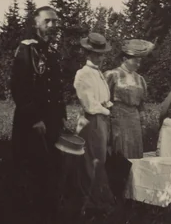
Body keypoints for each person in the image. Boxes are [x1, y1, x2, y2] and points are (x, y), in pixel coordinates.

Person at [8, 6, 67, 222]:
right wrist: (34, 119)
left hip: (51, 121)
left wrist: (61, 116)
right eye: (47, 21)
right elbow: (18, 87)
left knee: (50, 169)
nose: (52, 25)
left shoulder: (51, 52)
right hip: (31, 122)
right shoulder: (27, 49)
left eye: (55, 21)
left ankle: (49, 214)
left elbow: (56, 89)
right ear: (36, 24)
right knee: (31, 170)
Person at [72, 33, 117, 210]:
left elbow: (103, 98)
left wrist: (108, 106)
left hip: (102, 119)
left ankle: (100, 200)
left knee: (100, 160)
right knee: (92, 161)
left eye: (102, 54)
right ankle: (92, 202)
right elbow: (90, 104)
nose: (100, 57)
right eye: (96, 54)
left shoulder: (98, 74)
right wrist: (106, 110)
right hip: (91, 121)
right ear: (87, 54)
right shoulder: (83, 74)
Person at [105, 39, 156, 160]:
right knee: (121, 149)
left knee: (135, 149)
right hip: (118, 117)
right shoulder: (112, 75)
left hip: (134, 118)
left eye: (140, 62)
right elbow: (104, 99)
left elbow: (141, 103)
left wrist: (143, 120)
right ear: (124, 59)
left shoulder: (140, 79)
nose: (138, 65)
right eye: (135, 61)